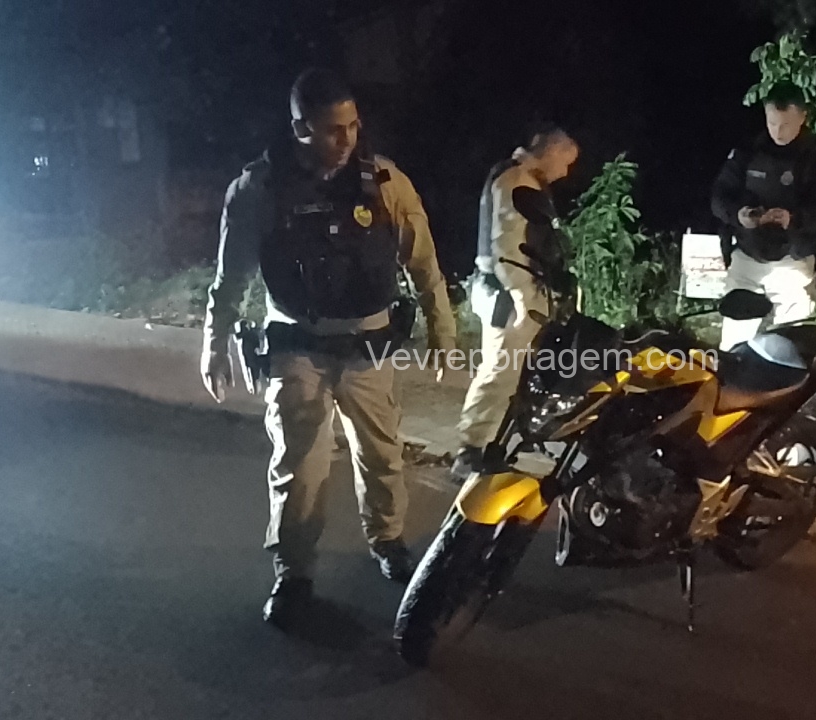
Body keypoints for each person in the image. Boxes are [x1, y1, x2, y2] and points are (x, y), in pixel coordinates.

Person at [200, 69, 457, 628]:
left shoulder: (385, 182)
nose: (346, 140)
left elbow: (424, 265)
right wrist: (214, 343)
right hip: (298, 345)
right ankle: (293, 574)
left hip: (368, 346)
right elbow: (230, 278)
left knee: (382, 454)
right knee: (300, 468)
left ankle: (388, 540)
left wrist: (444, 330)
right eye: (333, 130)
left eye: (353, 126)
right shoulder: (258, 190)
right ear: (300, 128)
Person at [451, 128, 580, 480]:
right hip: (509, 294)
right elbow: (506, 247)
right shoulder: (517, 181)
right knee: (500, 372)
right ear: (552, 151)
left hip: (510, 290)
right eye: (566, 162)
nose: (565, 172)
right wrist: (524, 299)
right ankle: (471, 450)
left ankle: (490, 446)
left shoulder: (521, 178)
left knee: (513, 374)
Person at [711, 82, 816, 351]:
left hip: (793, 263)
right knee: (732, 349)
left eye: (786, 124)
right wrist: (740, 215)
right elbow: (719, 198)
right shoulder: (748, 150)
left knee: (792, 349)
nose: (778, 132)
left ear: (803, 117)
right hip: (748, 257)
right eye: (772, 123)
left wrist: (793, 219)